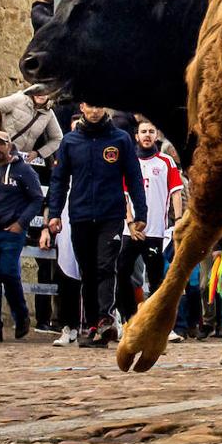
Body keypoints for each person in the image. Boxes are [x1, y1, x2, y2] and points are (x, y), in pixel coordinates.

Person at [46, 103, 147, 346]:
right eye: (90, 106)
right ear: (82, 107)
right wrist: (55, 213)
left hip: (110, 215)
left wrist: (140, 212)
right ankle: (93, 325)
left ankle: (105, 319)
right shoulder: (70, 141)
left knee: (105, 265)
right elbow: (59, 180)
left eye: (99, 106)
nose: (94, 111)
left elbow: (134, 176)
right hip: (79, 214)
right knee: (88, 270)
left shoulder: (120, 139)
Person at [0, 131, 44, 341]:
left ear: (9, 145)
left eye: (0, 144)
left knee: (7, 272)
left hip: (11, 231)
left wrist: (21, 223)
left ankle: (21, 314)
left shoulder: (24, 170)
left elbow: (37, 198)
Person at [115, 121, 181, 327]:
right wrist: (131, 222)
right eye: (143, 132)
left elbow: (176, 192)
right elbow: (123, 195)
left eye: (151, 131)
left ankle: (158, 325)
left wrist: (178, 220)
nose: (147, 135)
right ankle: (130, 319)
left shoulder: (166, 161)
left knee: (156, 281)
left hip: (155, 231)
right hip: (131, 230)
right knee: (122, 273)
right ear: (136, 136)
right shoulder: (129, 161)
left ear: (157, 135)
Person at [0, 86, 62, 164]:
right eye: (38, 91)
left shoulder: (49, 114)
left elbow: (58, 139)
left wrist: (38, 153)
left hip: (18, 159)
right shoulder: (19, 99)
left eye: (45, 93)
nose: (41, 95)